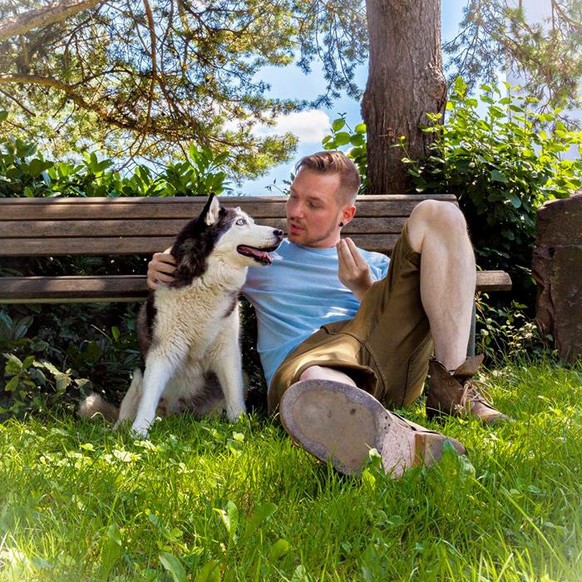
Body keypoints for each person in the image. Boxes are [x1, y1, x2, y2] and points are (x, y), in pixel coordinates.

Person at [147, 151, 508, 478]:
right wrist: (162, 263)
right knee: (321, 377)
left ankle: (454, 391)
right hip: (306, 364)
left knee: (440, 212)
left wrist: (366, 291)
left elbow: (405, 322)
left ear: (345, 215)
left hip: (384, 359)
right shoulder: (260, 257)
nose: (295, 211)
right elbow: (201, 250)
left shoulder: (375, 264)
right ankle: (392, 438)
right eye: (293, 196)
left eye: (313, 204)